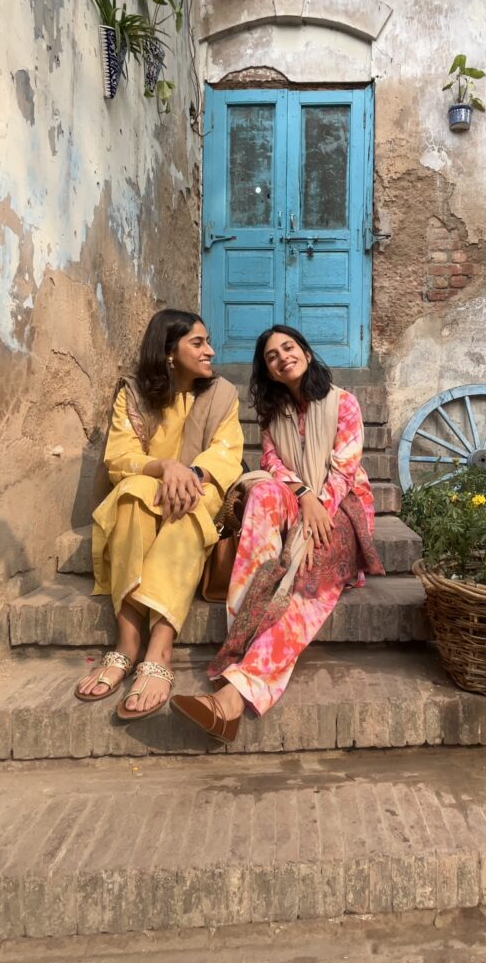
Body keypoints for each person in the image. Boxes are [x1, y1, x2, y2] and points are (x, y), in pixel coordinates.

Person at [170, 325, 384, 743]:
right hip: (301, 499)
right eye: (271, 355)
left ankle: (232, 698)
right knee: (264, 491)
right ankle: (245, 632)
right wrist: (304, 496)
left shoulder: (343, 402)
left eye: (289, 347)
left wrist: (319, 505)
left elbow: (344, 468)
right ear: (266, 370)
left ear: (304, 351)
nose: (282, 357)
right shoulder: (273, 416)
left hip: (342, 506)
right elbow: (273, 464)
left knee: (306, 567)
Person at [75, 308, 243, 720]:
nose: (211, 352)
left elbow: (228, 454)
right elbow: (120, 456)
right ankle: (127, 641)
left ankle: (160, 648)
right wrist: (164, 467)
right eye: (198, 343)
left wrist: (190, 473)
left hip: (202, 489)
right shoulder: (134, 393)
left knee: (186, 510)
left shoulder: (223, 394)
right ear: (169, 353)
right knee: (131, 496)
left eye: (208, 342)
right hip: (150, 484)